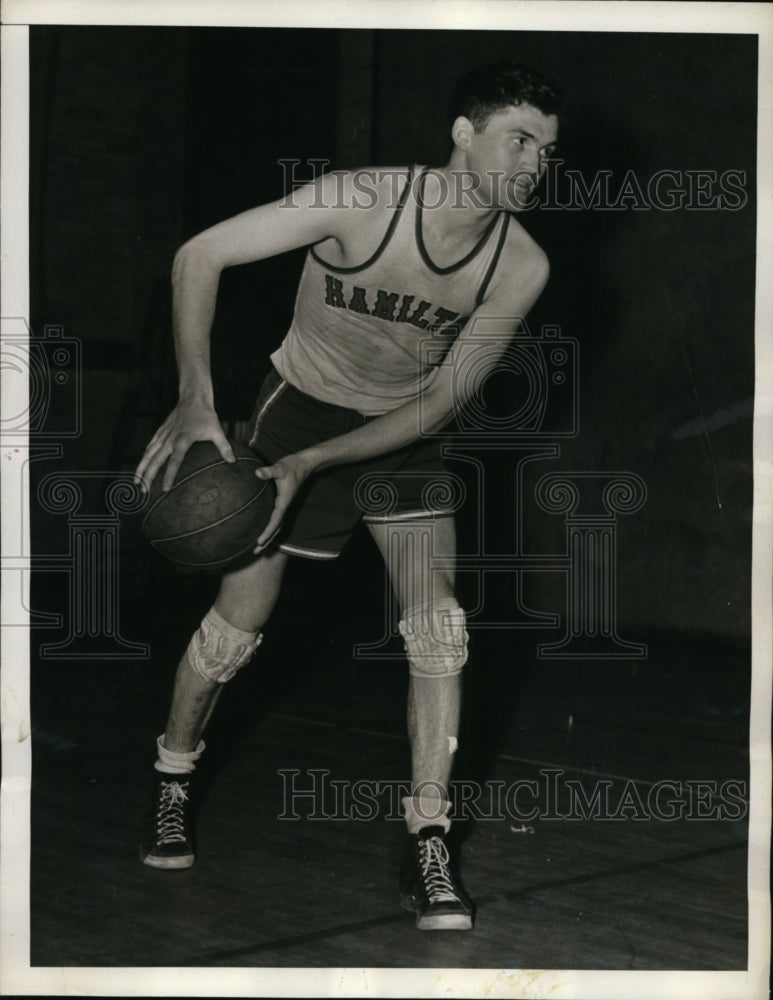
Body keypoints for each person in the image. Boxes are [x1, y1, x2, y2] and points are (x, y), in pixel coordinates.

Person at [134, 59, 561, 932]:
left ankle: (428, 839)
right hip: (297, 410)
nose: (535, 162)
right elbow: (200, 253)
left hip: (399, 429)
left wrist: (327, 460)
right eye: (519, 138)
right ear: (462, 133)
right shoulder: (364, 199)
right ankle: (173, 779)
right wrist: (195, 396)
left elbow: (440, 402)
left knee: (439, 628)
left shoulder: (519, 265)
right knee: (236, 629)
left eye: (548, 150)